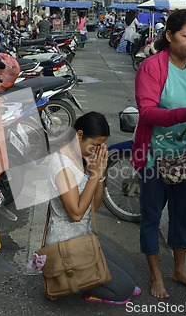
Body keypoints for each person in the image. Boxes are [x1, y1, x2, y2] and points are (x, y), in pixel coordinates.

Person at [132, 9, 186, 298]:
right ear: (169, 36)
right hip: (154, 157)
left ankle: (180, 270)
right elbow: (147, 111)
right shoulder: (152, 67)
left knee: (181, 218)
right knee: (151, 217)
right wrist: (182, 114)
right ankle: (155, 275)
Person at [45, 112, 141, 305]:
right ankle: (79, 284)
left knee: (132, 278)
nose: (97, 150)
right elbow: (76, 213)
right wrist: (94, 176)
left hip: (84, 238)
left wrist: (100, 175)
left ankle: (89, 282)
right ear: (79, 135)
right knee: (124, 290)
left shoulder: (81, 157)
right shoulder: (61, 165)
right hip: (65, 246)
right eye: (95, 144)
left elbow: (94, 207)